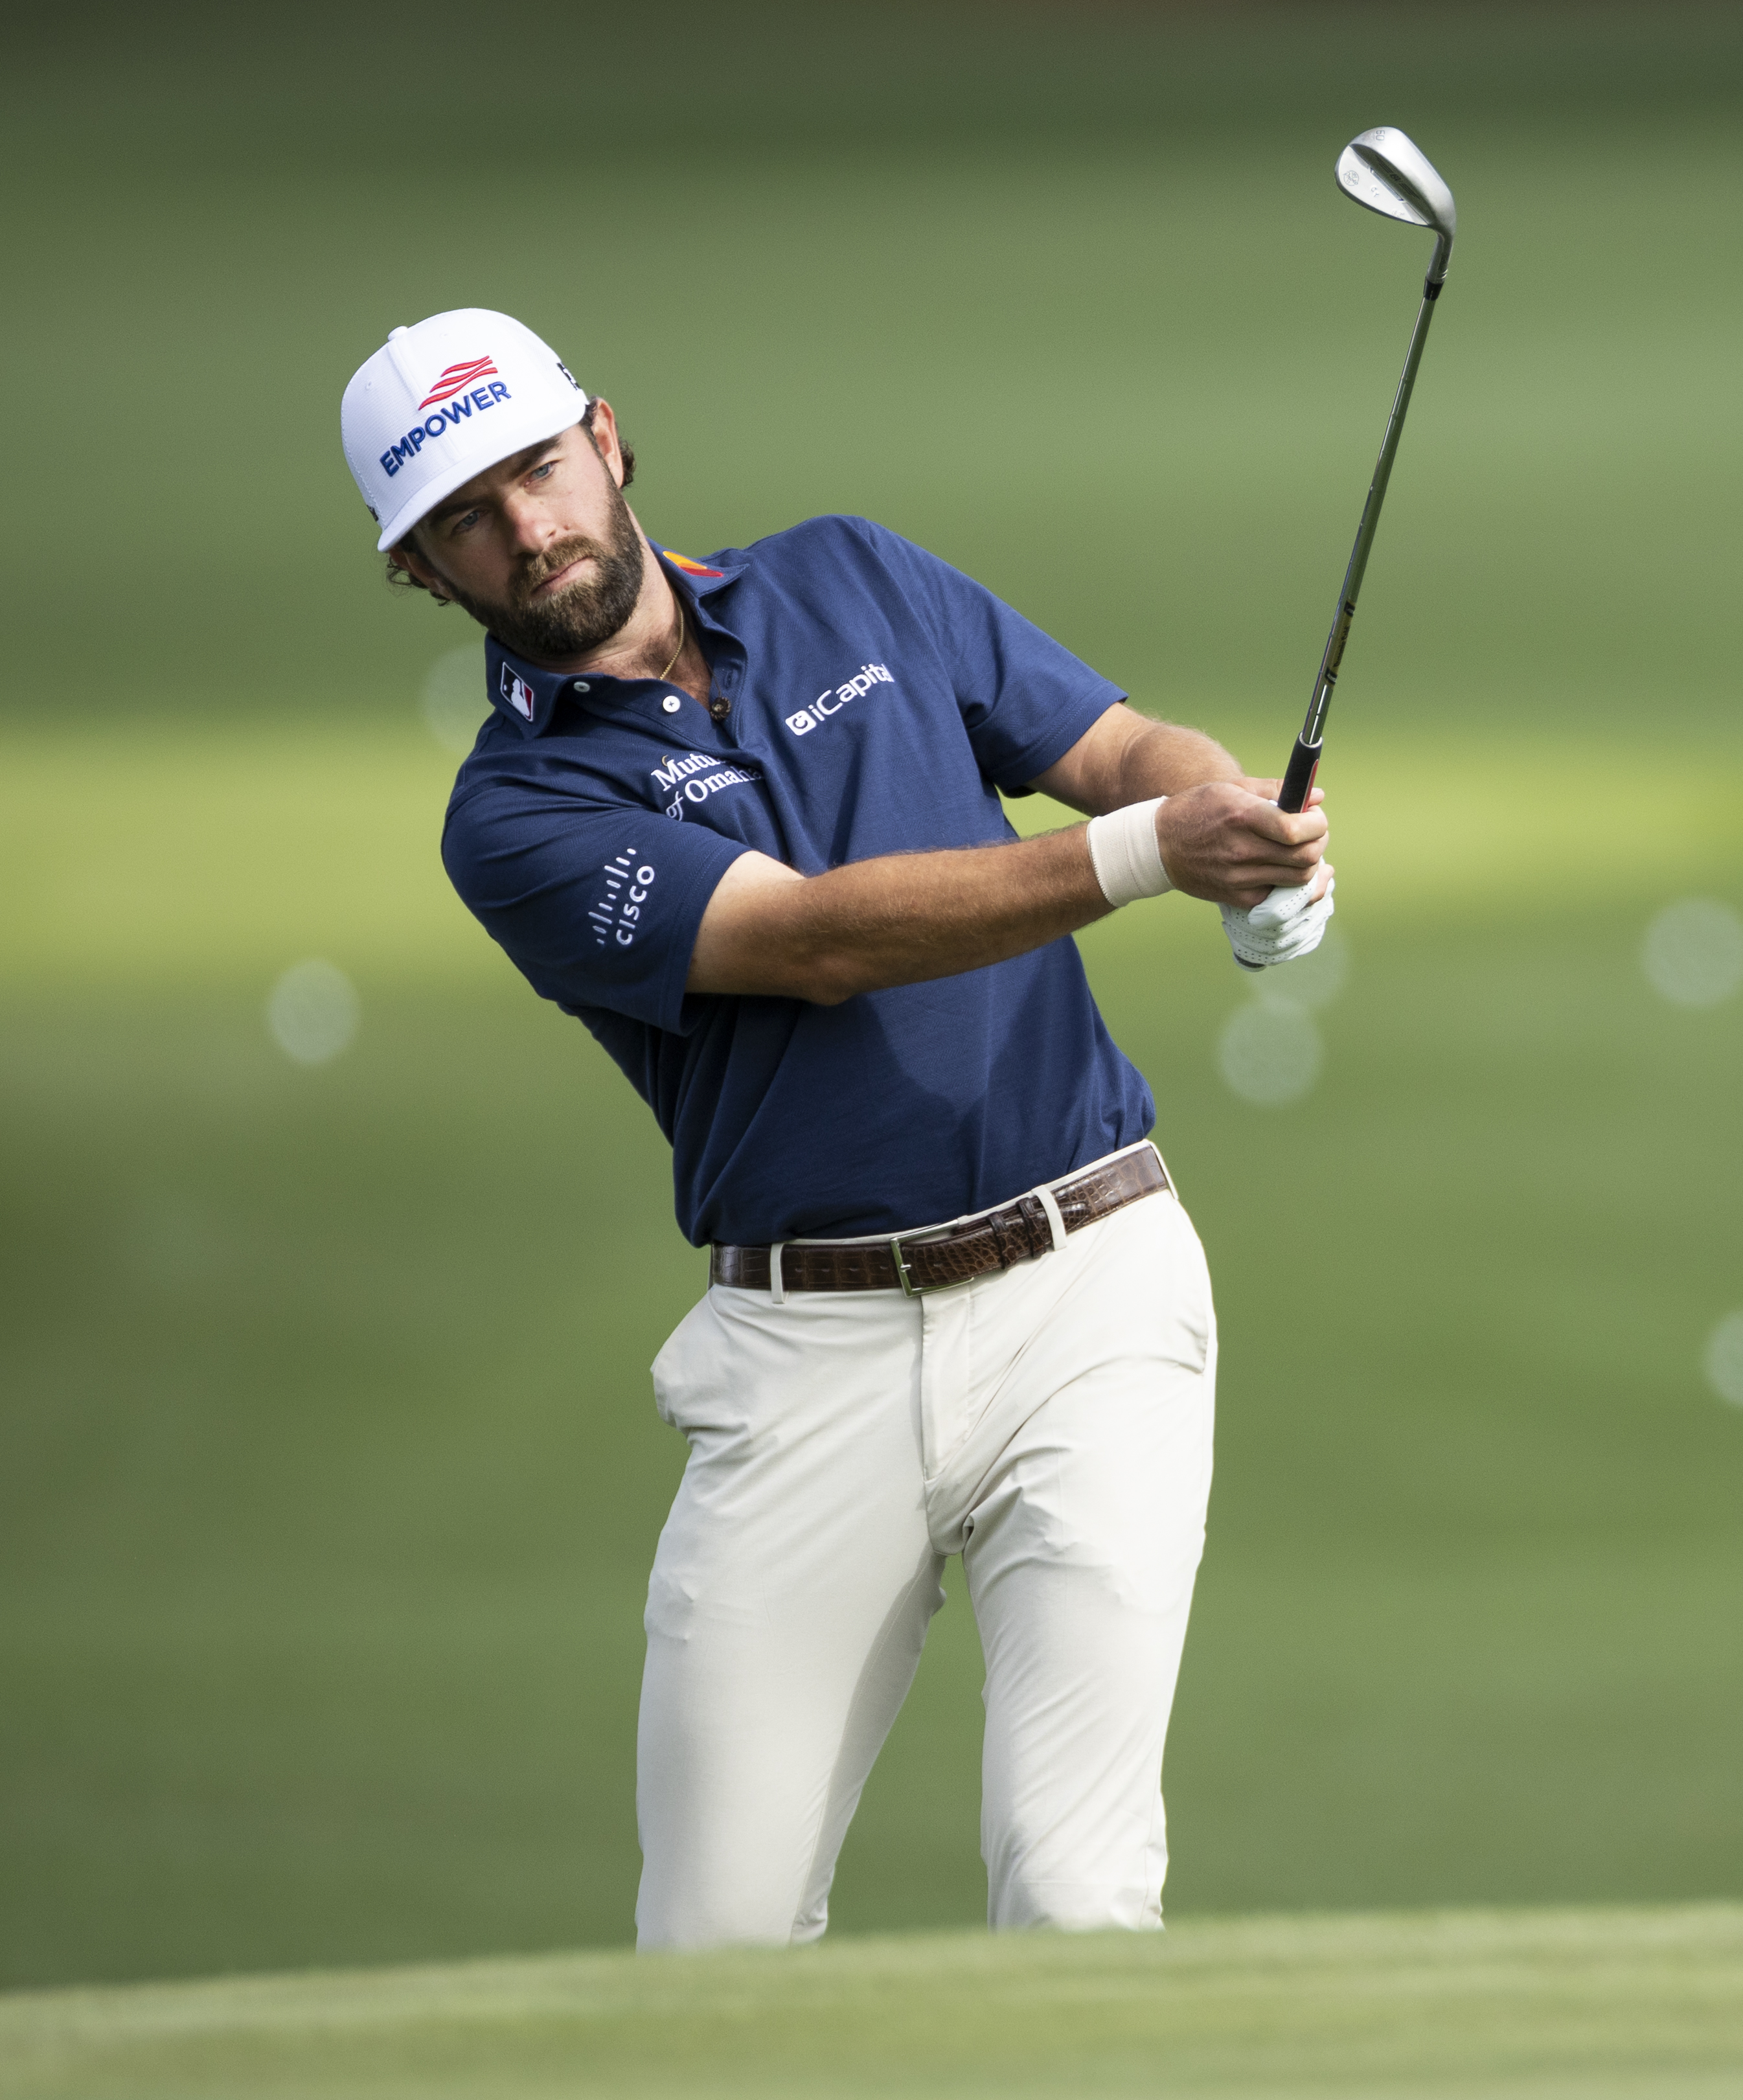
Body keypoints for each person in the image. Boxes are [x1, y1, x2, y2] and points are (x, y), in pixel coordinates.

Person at [336, 307, 1331, 1949]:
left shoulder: (852, 575)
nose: (527, 528)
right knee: (714, 1948)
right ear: (423, 573)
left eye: (534, 469)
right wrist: (1159, 854)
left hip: (1093, 1281)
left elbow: (1117, 751)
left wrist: (1248, 832)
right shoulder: (514, 815)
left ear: (605, 434)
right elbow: (815, 941)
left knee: (1079, 1892)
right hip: (808, 1358)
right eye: (464, 518)